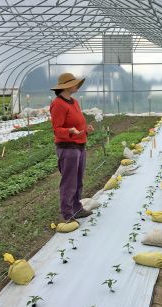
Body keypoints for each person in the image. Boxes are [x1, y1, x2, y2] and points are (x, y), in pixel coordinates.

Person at [50, 72, 94, 221]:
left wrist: (85, 130)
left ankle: (77, 208)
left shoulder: (74, 102)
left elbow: (77, 123)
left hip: (80, 145)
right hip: (68, 147)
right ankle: (67, 214)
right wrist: (69, 131)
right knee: (69, 181)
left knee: (78, 180)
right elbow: (57, 129)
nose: (77, 85)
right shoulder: (58, 104)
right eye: (74, 83)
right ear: (66, 86)